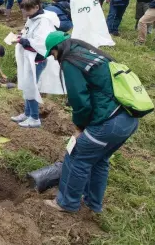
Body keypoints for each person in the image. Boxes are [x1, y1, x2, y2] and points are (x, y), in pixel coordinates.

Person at [43, 32, 138, 213]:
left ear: (58, 49)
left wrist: (80, 128)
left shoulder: (70, 61)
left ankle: (66, 203)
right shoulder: (92, 54)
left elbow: (80, 100)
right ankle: (93, 204)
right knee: (99, 160)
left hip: (109, 123)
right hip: (128, 119)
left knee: (76, 156)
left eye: (53, 54)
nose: (54, 58)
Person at [12, 0, 60, 128]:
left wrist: (22, 41)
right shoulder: (33, 18)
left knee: (31, 88)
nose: (25, 13)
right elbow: (27, 32)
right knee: (27, 86)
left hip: (37, 61)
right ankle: (27, 113)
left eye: (27, 10)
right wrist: (21, 36)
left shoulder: (43, 21)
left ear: (36, 7)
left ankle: (34, 118)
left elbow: (41, 43)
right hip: (29, 59)